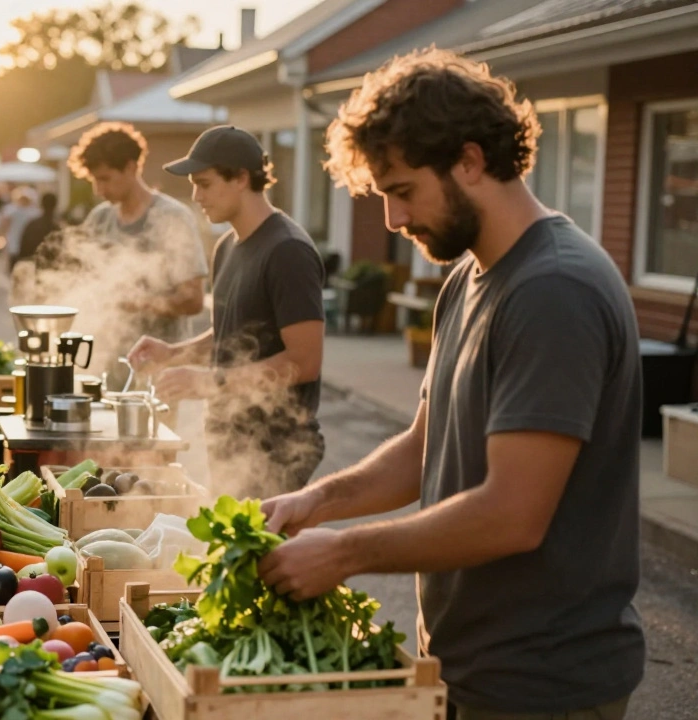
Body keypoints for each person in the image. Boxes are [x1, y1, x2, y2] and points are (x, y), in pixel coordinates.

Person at [257, 48, 645, 719]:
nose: (393, 222)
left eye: (403, 191)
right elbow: (423, 447)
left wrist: (345, 552)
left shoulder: (554, 290)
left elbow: (513, 514)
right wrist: (316, 501)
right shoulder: (469, 277)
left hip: (543, 683)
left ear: (470, 160)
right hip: (467, 666)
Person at [128, 125, 326, 499]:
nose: (195, 196)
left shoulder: (288, 252)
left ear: (240, 178)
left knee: (263, 557)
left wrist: (207, 382)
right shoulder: (226, 247)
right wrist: (173, 354)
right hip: (229, 439)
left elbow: (305, 360)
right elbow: (228, 334)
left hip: (277, 448)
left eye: (204, 183)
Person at [67, 121, 208, 386]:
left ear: (132, 167)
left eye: (105, 178)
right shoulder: (99, 219)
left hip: (155, 371)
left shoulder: (172, 217)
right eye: (94, 180)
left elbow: (193, 300)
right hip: (103, 367)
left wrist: (132, 301)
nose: (98, 189)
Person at [1, 186, 41, 269]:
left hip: (18, 246)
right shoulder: (35, 213)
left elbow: (4, 227)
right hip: (19, 246)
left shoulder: (11, 211)